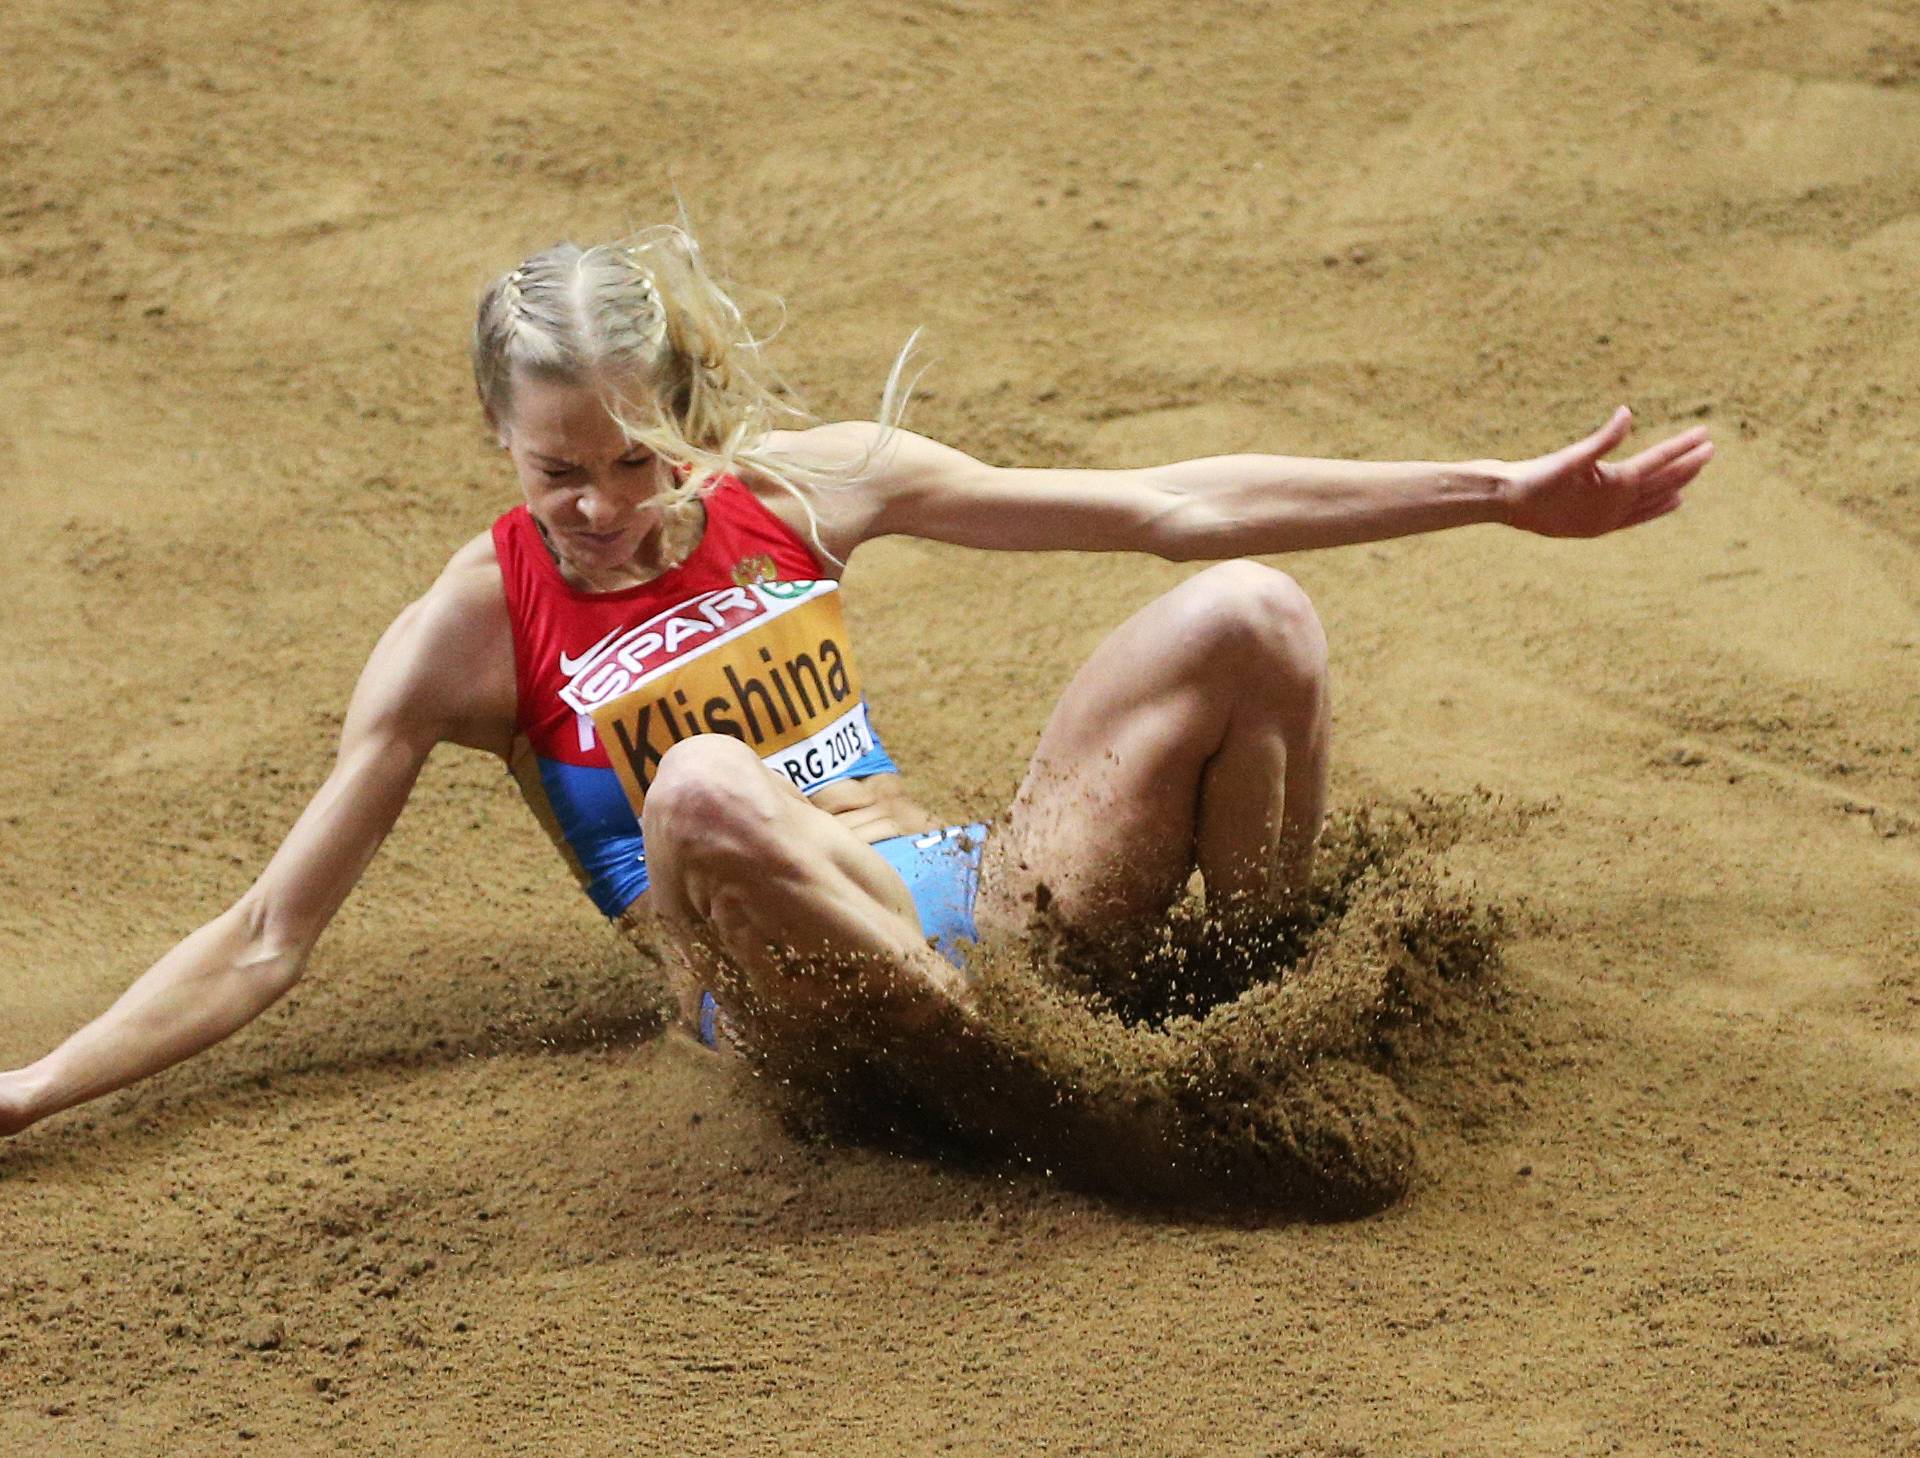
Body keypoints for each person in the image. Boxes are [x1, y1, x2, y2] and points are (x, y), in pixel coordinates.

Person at [0, 225, 1713, 1139]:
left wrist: (1496, 490)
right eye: (555, 476)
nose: (601, 510)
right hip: (793, 1002)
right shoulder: (470, 625)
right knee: (703, 787)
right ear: (499, 448)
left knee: (1250, 613)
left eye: (636, 462)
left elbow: (1174, 507)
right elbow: (266, 933)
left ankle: (1247, 1020)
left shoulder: (800, 488)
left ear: (690, 414)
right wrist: (26, 1091)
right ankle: (1074, 1105)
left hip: (979, 911)